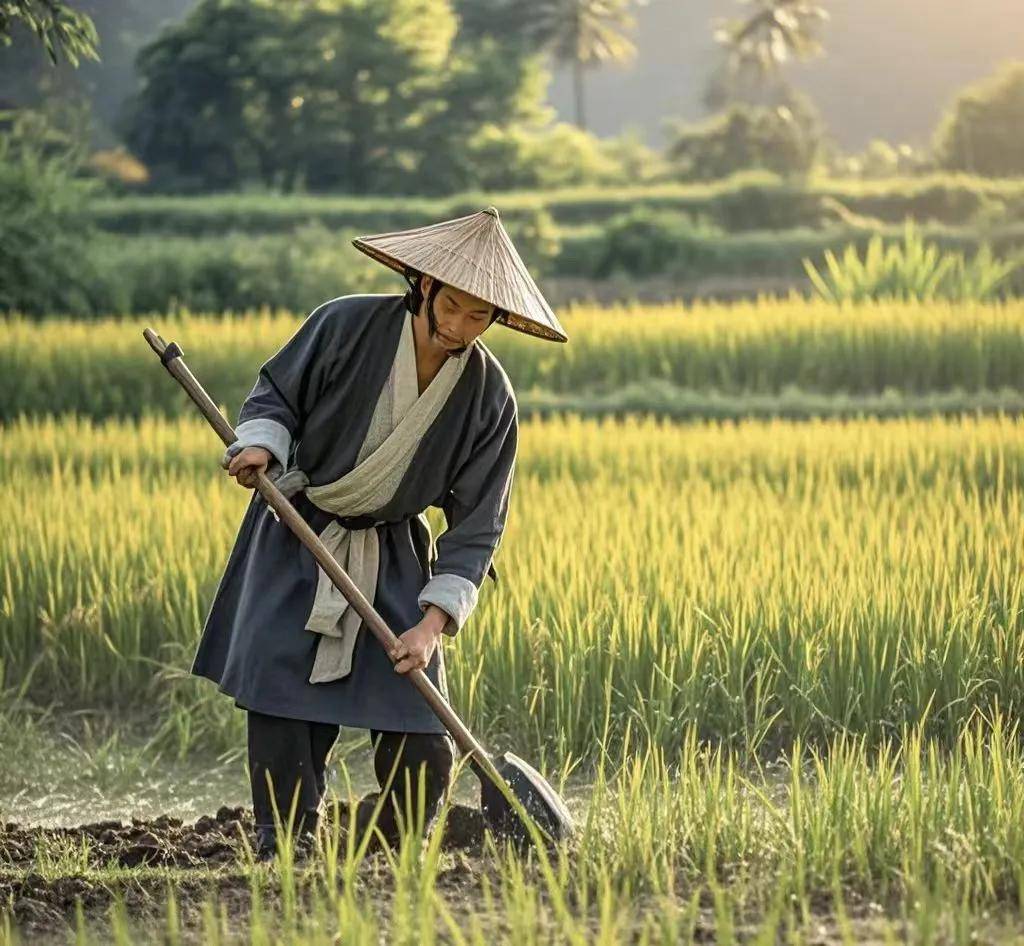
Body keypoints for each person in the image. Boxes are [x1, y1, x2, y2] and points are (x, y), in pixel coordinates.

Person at [190, 206, 568, 860]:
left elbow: (478, 525)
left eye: (479, 317)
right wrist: (260, 448)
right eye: (451, 306)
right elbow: (277, 396)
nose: (459, 327)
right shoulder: (343, 325)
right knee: (284, 706)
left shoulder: (488, 396)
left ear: (498, 320)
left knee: (422, 738)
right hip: (297, 533)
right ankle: (286, 849)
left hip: (395, 555)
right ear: (422, 285)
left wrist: (429, 627)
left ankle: (381, 852)